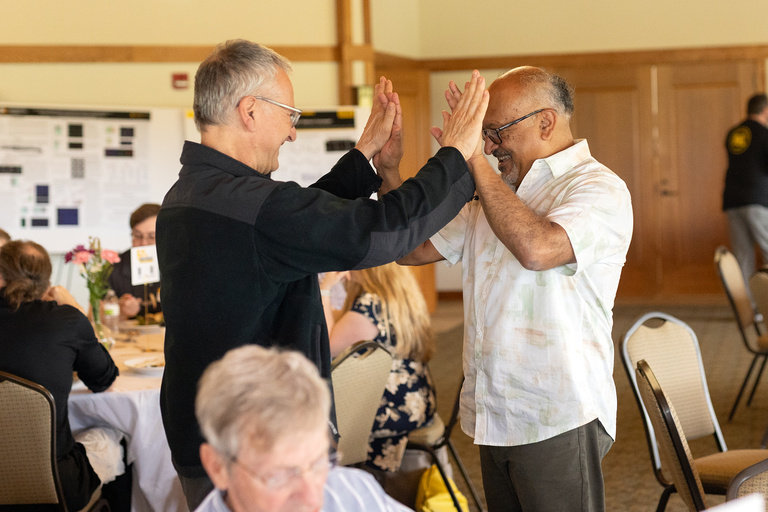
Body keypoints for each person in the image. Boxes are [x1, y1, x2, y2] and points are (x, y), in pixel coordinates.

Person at [156, 39, 487, 509]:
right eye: (290, 114)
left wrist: (364, 157)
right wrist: (456, 154)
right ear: (250, 111)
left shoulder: (191, 192)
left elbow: (293, 228)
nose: (292, 133)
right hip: (261, 446)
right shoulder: (249, 205)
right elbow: (381, 232)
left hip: (213, 429)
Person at [401, 66, 634, 511]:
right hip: (495, 411)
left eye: (496, 132)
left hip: (558, 412)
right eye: (483, 135)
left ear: (546, 122)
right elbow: (410, 248)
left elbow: (537, 249)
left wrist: (471, 158)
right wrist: (388, 170)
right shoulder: (498, 191)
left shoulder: (598, 188)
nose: (489, 147)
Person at [193, 344, 413, 512]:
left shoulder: (350, 492)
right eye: (280, 477)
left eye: (320, 463)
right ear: (217, 467)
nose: (313, 499)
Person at [0, 240, 124, 511]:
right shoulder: (66, 320)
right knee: (113, 433)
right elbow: (104, 380)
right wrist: (75, 309)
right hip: (57, 486)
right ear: (47, 280)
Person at [320, 263, 435, 474]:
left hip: (393, 407)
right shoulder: (398, 298)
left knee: (318, 418)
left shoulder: (370, 304)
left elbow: (328, 345)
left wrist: (324, 290)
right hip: (418, 399)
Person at [723, 93, 768, 285]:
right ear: (765, 111)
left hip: (732, 201)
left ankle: (748, 311)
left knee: (743, 256)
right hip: (756, 200)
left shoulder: (733, 133)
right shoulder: (764, 133)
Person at [108, 202, 162, 320]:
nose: (143, 243)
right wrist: (121, 311)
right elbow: (95, 316)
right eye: (137, 236)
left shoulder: (178, 265)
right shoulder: (115, 267)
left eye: (152, 237)